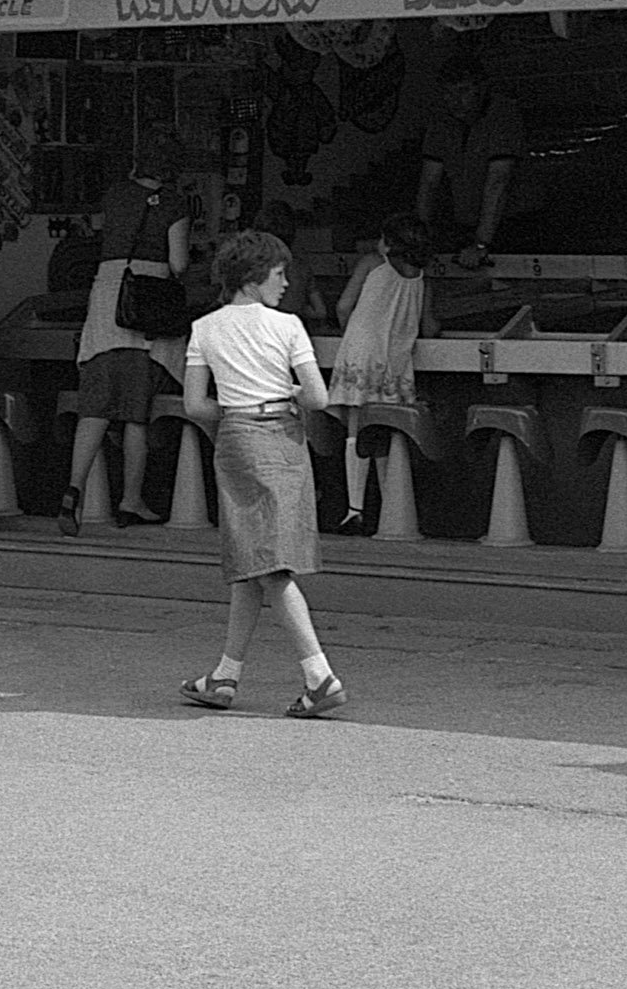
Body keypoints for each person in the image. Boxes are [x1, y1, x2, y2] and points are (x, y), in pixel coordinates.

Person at [177, 230, 349, 719]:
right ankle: (226, 675)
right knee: (259, 561)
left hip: (238, 438)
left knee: (261, 561)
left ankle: (319, 676)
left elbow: (195, 405)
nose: (286, 282)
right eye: (278, 274)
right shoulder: (289, 325)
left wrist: (235, 409)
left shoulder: (205, 328)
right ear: (252, 279)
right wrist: (286, 396)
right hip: (287, 440)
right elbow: (318, 397)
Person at [63, 134, 190, 534]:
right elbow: (179, 264)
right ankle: (131, 499)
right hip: (144, 304)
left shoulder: (114, 195)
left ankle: (73, 488)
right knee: (136, 410)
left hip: (106, 297)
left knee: (96, 403)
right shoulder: (174, 203)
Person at [323, 212, 439, 535]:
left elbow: (344, 306)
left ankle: (354, 510)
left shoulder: (372, 263)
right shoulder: (421, 280)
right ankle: (392, 508)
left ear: (389, 242)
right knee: (386, 430)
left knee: (356, 428)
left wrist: (353, 334)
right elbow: (429, 326)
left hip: (362, 353)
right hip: (397, 361)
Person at [414, 53, 523, 268]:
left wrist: (481, 244)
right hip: (466, 221)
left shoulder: (503, 115)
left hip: (517, 222)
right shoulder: (441, 121)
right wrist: (416, 239)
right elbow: (429, 183)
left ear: (482, 88)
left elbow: (498, 181)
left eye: (463, 91)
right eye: (448, 92)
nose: (455, 100)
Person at [255, 201, 330, 326]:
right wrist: (299, 309)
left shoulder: (251, 267)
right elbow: (320, 311)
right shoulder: (301, 267)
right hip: (290, 330)